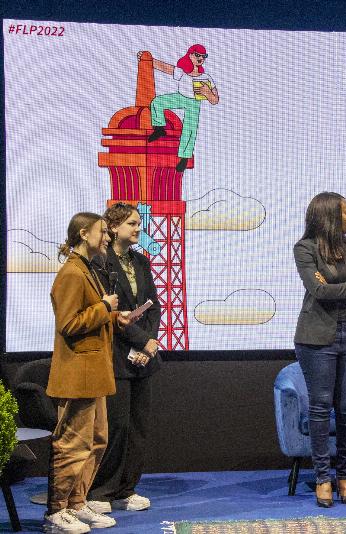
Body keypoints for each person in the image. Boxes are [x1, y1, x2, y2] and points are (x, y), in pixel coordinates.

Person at [45, 212, 132, 533]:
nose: (107, 237)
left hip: (94, 373)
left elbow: (89, 315)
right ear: (84, 233)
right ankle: (56, 512)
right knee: (73, 444)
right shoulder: (71, 272)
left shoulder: (86, 269)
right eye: (102, 232)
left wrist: (114, 315)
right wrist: (104, 308)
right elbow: (68, 324)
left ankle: (76, 504)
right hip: (77, 374)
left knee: (96, 442)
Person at [293, 192, 346, 507]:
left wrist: (340, 287)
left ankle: (345, 476)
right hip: (316, 337)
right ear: (329, 216)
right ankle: (322, 478)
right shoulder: (305, 248)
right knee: (320, 406)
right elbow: (317, 290)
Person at [87, 203, 162, 514]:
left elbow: (153, 305)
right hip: (116, 356)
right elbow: (113, 316)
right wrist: (142, 341)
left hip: (142, 358)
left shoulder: (142, 262)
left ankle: (126, 490)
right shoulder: (101, 265)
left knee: (137, 428)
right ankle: (101, 491)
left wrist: (149, 343)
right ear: (113, 227)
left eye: (138, 223)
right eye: (132, 223)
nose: (138, 228)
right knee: (116, 427)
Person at [144, 44, 220, 172]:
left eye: (203, 56)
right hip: (180, 97)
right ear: (190, 55)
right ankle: (159, 128)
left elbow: (215, 100)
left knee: (190, 129)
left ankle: (184, 158)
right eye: (197, 55)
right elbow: (165, 68)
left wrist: (207, 93)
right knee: (157, 102)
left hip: (194, 103)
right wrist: (147, 59)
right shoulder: (183, 72)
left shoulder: (206, 77)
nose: (200, 58)